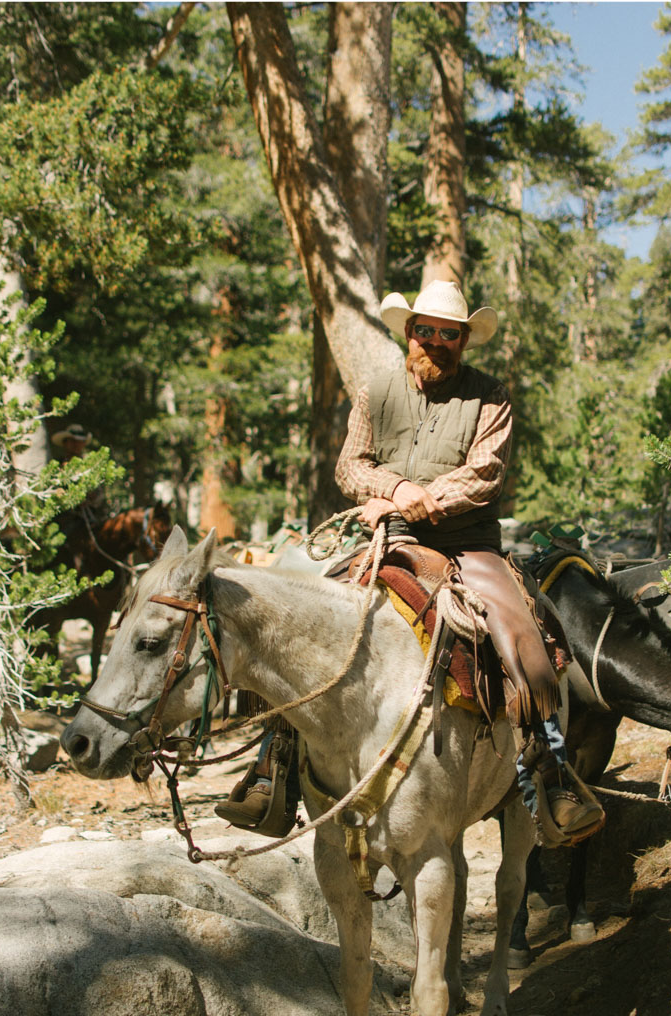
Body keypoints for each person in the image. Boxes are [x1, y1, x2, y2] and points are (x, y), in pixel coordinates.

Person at [224, 280, 601, 846]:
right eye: (426, 331)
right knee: (293, 609)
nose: (436, 342)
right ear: (409, 332)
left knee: (524, 629)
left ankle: (551, 772)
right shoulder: (376, 391)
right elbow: (351, 465)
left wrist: (424, 497)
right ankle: (272, 765)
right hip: (385, 532)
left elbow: (485, 473)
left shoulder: (490, 397)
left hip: (465, 542)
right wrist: (394, 490)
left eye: (450, 334)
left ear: (465, 340)